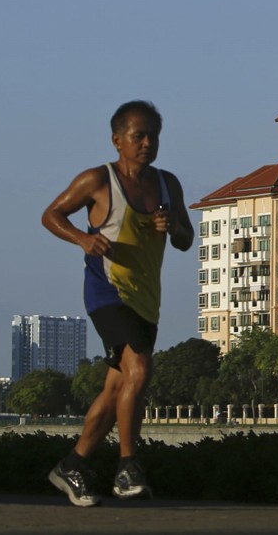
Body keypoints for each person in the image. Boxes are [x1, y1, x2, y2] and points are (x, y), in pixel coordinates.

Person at [41, 101, 193, 507]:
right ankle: (128, 467)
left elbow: (185, 239)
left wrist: (172, 225)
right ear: (117, 140)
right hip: (106, 293)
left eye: (153, 136)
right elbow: (52, 214)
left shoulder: (167, 184)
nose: (147, 143)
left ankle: (73, 463)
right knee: (139, 369)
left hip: (146, 300)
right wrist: (83, 239)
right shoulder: (98, 180)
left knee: (117, 387)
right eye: (138, 136)